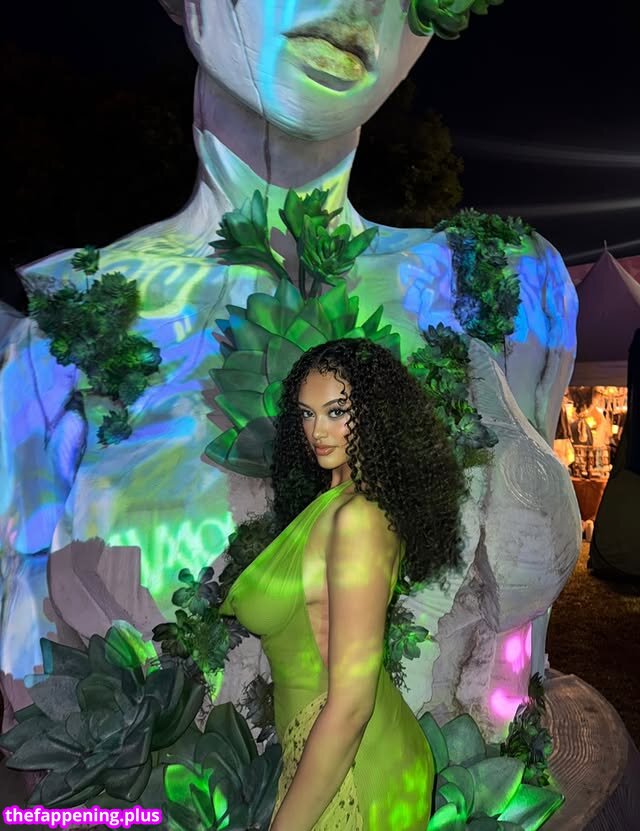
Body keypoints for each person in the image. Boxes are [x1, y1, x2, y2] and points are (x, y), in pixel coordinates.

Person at [219, 337, 464, 831]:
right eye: (307, 414)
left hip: (357, 766)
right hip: (324, 750)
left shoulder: (359, 520)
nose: (317, 431)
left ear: (374, 415)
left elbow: (351, 707)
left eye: (336, 412)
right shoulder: (335, 502)